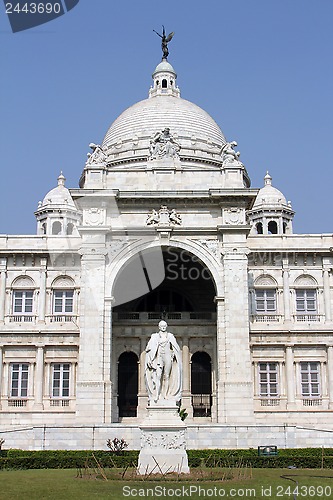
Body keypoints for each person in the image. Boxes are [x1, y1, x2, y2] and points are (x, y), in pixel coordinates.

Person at [145, 320, 182, 404]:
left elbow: (176, 348)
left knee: (167, 376)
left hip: (168, 358)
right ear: (159, 327)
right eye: (162, 326)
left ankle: (165, 395)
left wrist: (174, 354)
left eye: (165, 325)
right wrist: (150, 359)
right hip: (159, 358)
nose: (163, 327)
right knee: (158, 376)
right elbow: (148, 349)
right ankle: (157, 395)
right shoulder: (155, 336)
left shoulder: (170, 336)